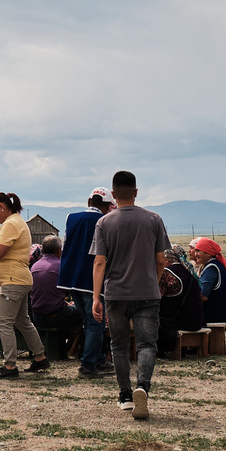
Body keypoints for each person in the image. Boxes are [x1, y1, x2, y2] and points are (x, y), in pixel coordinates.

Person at [90, 170, 171, 420]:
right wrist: (154, 282)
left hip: (115, 294)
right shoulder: (154, 219)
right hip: (147, 292)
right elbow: (161, 260)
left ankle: (125, 395)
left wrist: (96, 297)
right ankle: (142, 388)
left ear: (113, 194)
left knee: (119, 345)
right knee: (147, 344)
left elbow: (100, 262)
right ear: (136, 192)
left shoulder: (104, 223)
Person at [0, 193, 50, 378]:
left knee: (3, 323)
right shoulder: (15, 222)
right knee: (22, 320)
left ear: (1, 206)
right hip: (19, 279)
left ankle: (10, 366)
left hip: (13, 281)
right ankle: (40, 357)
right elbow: (4, 253)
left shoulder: (10, 224)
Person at [57, 191, 114, 377]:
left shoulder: (71, 218)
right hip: (91, 279)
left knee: (88, 322)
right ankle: (88, 365)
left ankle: (96, 358)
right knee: (96, 323)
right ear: (107, 206)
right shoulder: (105, 222)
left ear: (89, 201)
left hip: (71, 278)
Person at [30, 236, 78, 358]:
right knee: (83, 311)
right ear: (59, 250)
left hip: (37, 317)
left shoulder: (35, 267)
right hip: (56, 316)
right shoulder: (61, 266)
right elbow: (71, 291)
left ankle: (66, 348)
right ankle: (76, 349)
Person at [188, 236, 226, 330]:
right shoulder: (214, 266)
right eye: (196, 250)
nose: (196, 254)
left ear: (208, 253)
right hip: (219, 313)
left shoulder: (211, 268)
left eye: (199, 251)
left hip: (214, 315)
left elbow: (203, 296)